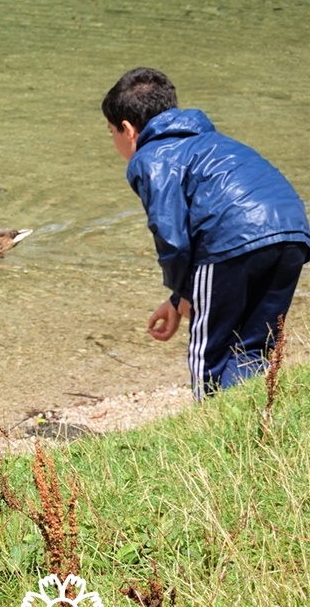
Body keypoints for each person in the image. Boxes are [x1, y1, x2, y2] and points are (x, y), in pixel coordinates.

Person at [103, 67, 310, 399]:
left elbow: (171, 237)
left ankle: (213, 436)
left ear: (127, 130)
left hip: (231, 240)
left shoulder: (150, 157)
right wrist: (178, 298)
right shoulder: (215, 142)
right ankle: (251, 435)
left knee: (209, 354)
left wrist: (184, 293)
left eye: (111, 131)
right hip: (292, 232)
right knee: (252, 348)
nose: (114, 139)